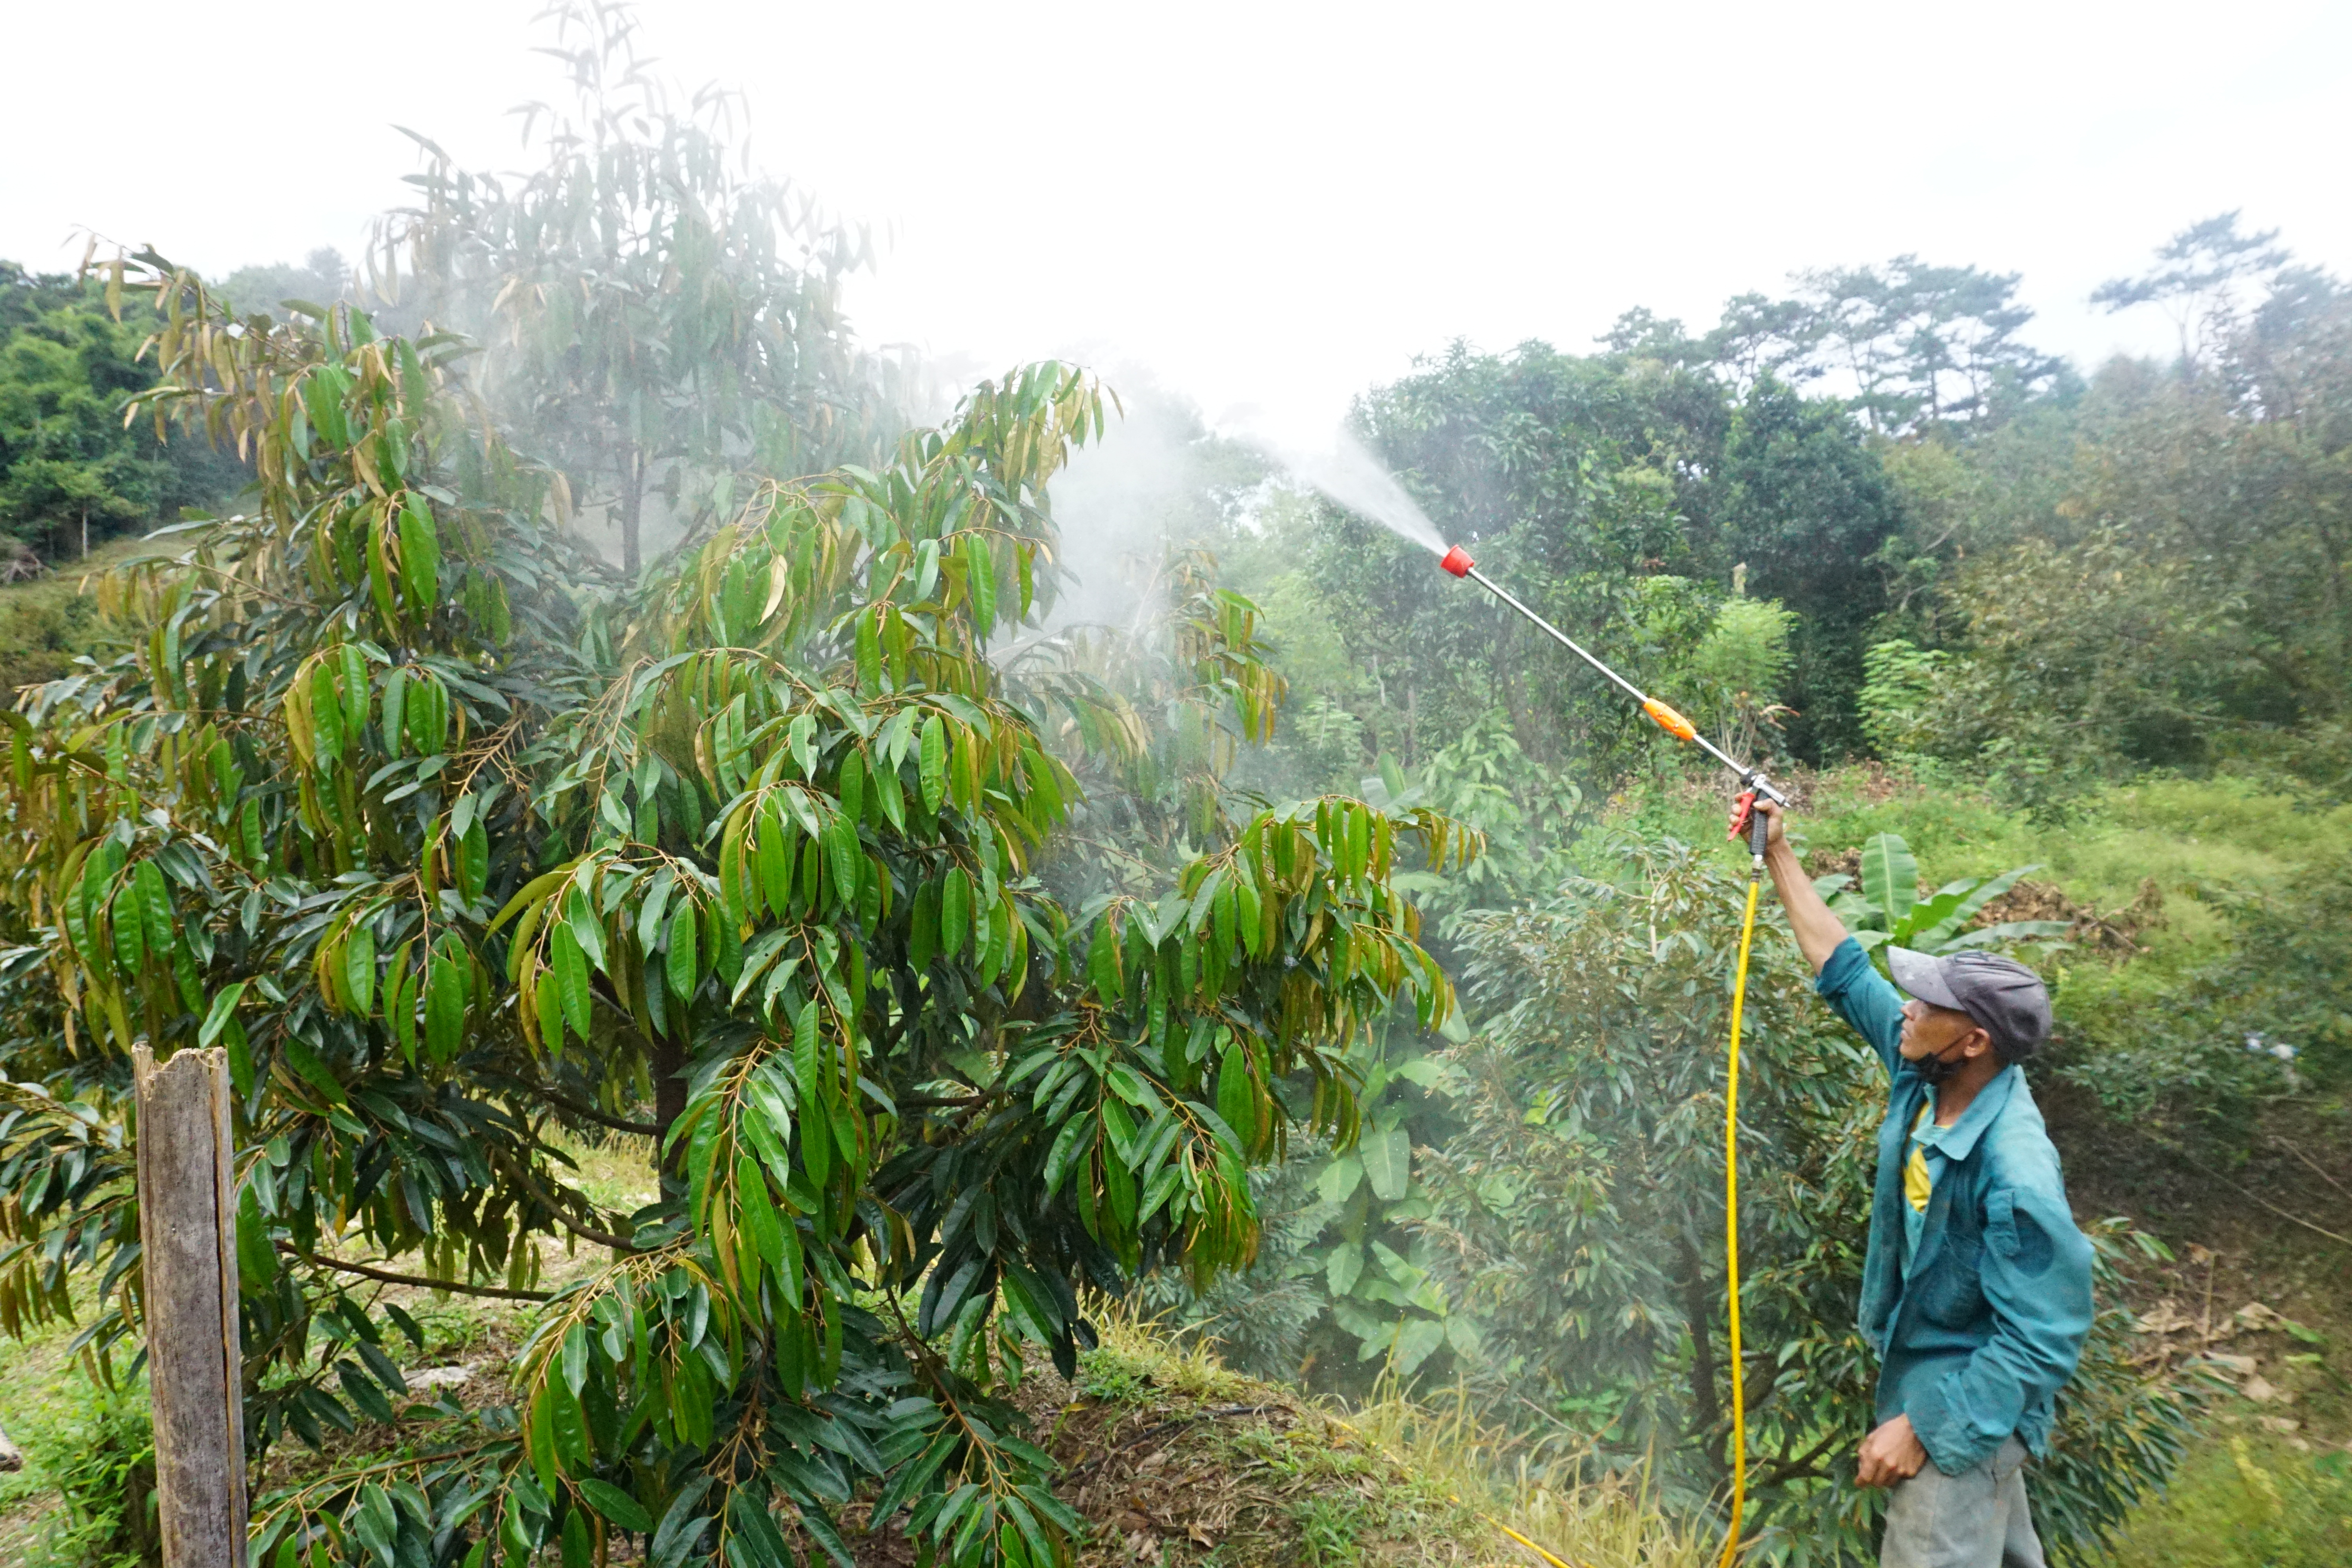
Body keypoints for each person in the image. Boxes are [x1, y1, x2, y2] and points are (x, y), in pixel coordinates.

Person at [1739, 797, 2092, 1568]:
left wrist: (1925, 1426)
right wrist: (1779, 853)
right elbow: (1842, 966)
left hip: (1964, 1402)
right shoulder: (1923, 1068)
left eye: (1927, 1001)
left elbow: (2045, 1336)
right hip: (1936, 1378)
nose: (1907, 1005)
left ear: (1972, 1040)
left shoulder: (2015, 1169)